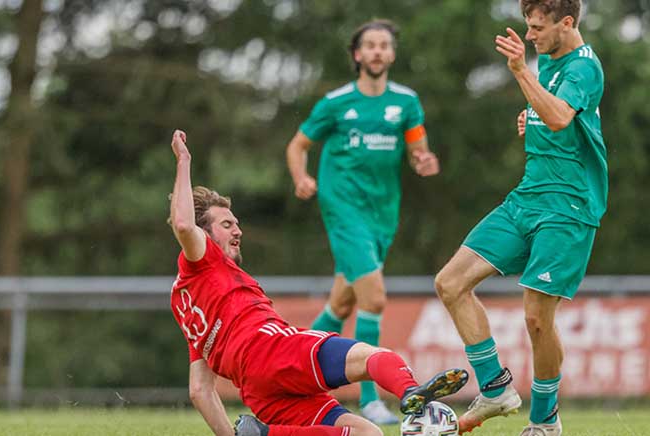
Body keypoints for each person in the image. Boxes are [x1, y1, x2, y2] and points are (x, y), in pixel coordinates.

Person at [168, 130, 467, 436]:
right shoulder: (205, 259)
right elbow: (183, 224)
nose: (238, 231)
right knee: (376, 357)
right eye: (227, 224)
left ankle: (265, 434)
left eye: (237, 224)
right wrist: (184, 160)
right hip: (273, 350)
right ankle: (410, 391)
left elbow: (200, 390)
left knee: (369, 434)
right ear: (203, 234)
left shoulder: (184, 304)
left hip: (257, 390)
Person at [434, 1, 606, 435]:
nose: (530, 36)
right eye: (529, 26)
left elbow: (560, 116)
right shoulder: (549, 61)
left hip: (567, 207)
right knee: (450, 283)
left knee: (536, 318)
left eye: (537, 27)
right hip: (526, 198)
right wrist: (530, 115)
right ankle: (495, 388)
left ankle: (544, 421)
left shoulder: (584, 67)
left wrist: (520, 72)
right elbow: (554, 116)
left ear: (567, 23)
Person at [285, 19, 440, 424]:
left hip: (382, 214)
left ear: (392, 54)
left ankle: (287, 375)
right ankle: (370, 399)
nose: (376, 51)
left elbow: (417, 148)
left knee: (342, 303)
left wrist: (423, 161)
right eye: (369, 45)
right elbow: (298, 145)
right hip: (343, 208)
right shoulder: (336, 103)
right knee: (374, 299)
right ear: (357, 54)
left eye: (383, 45)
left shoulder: (406, 102)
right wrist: (301, 177)